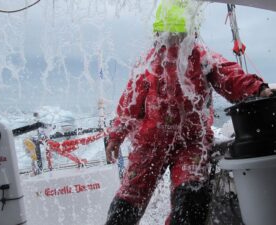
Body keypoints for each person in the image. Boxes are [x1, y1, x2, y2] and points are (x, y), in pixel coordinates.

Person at [104, 1, 273, 225]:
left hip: (191, 143)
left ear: (192, 33)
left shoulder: (203, 59)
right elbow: (129, 105)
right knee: (127, 203)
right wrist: (116, 135)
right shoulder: (147, 66)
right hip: (150, 144)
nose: (174, 41)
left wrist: (258, 89)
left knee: (191, 200)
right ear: (157, 34)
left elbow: (229, 77)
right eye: (168, 35)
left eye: (179, 35)